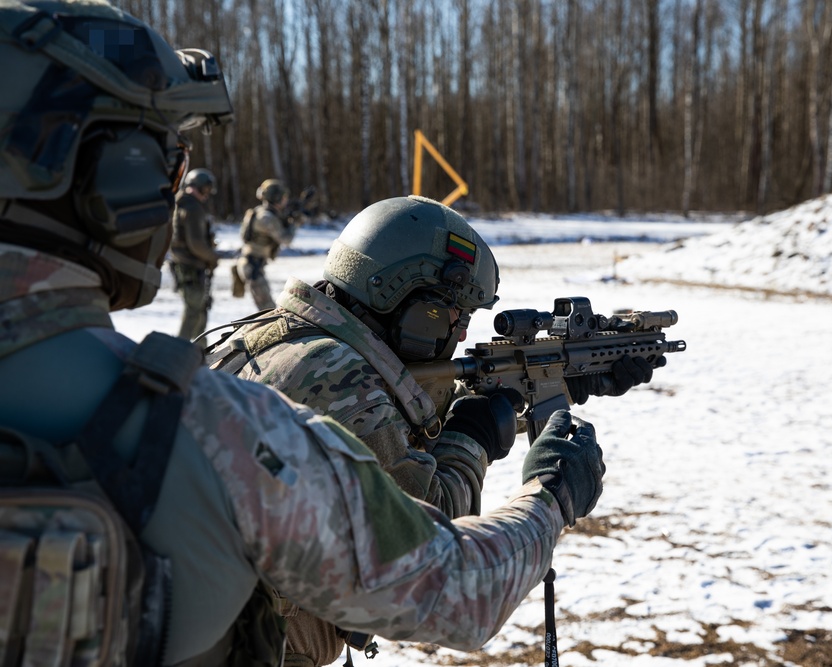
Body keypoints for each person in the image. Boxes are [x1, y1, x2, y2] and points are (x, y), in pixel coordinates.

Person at [0, 3, 606, 666]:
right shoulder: (223, 432)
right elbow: (455, 587)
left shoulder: (235, 364)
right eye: (167, 167)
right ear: (117, 178)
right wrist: (550, 494)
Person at [205, 195, 658, 666]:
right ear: (406, 300)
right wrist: (473, 439)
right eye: (453, 314)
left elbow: (396, 426)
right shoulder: (336, 376)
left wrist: (550, 383)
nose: (461, 334)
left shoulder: (286, 338)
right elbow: (429, 538)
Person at [170, 167, 219, 345]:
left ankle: (201, 356)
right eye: (205, 190)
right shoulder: (193, 208)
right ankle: (178, 355)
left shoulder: (181, 203)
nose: (207, 195)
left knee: (198, 314)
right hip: (192, 267)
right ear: (196, 187)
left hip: (184, 266)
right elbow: (196, 244)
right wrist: (212, 257)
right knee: (193, 314)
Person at [236, 178, 295, 309]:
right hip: (253, 267)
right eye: (283, 197)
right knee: (267, 311)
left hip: (252, 264)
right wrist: (294, 222)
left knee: (266, 310)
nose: (286, 200)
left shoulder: (259, 212)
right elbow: (286, 239)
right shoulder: (266, 217)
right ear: (277, 198)